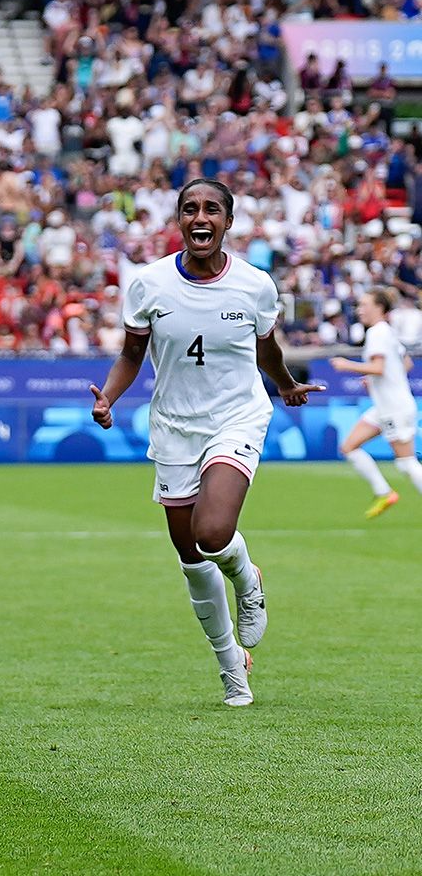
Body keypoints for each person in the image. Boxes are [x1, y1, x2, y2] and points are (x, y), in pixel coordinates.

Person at [89, 179, 323, 707]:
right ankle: (231, 665)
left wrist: (285, 384)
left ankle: (247, 575)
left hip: (236, 417)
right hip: (174, 426)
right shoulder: (149, 284)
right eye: (190, 208)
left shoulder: (255, 285)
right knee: (191, 557)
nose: (201, 217)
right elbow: (131, 354)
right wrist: (108, 397)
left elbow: (267, 347)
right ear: (178, 221)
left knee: (213, 533)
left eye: (212, 209)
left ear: (228, 222)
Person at [331, 288, 422, 518]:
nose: (359, 310)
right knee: (348, 446)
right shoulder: (386, 331)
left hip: (394, 407)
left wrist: (346, 365)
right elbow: (406, 363)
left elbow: (379, 368)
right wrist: (378, 378)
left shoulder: (377, 333)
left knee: (406, 463)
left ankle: (384, 492)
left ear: (379, 308)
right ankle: (384, 492)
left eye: (364, 305)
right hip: (385, 406)